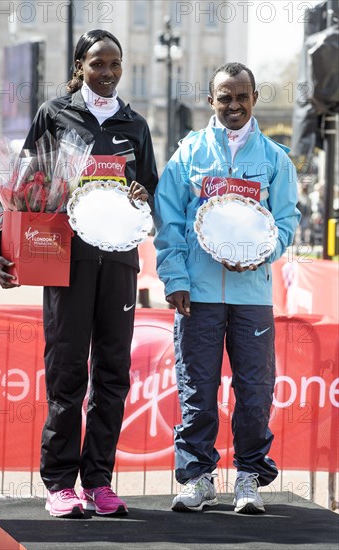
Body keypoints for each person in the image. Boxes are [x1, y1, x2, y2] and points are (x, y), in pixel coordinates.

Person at [0, 30, 158, 518]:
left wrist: (143, 197)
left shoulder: (136, 125)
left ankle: (99, 482)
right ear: (81, 64)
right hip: (67, 263)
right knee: (66, 375)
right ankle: (60, 483)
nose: (107, 73)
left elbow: (150, 189)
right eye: (98, 64)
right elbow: (23, 188)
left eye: (115, 65)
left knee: (113, 375)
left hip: (120, 263)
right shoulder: (54, 114)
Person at [154, 62, 300, 514]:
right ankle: (198, 478)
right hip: (196, 295)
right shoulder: (190, 153)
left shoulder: (275, 159)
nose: (233, 105)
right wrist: (176, 278)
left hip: (251, 296)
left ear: (254, 97)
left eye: (242, 96)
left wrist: (265, 248)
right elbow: (169, 220)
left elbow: (288, 220)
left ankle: (249, 479)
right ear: (210, 100)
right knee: (196, 389)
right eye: (224, 97)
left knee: (254, 392)